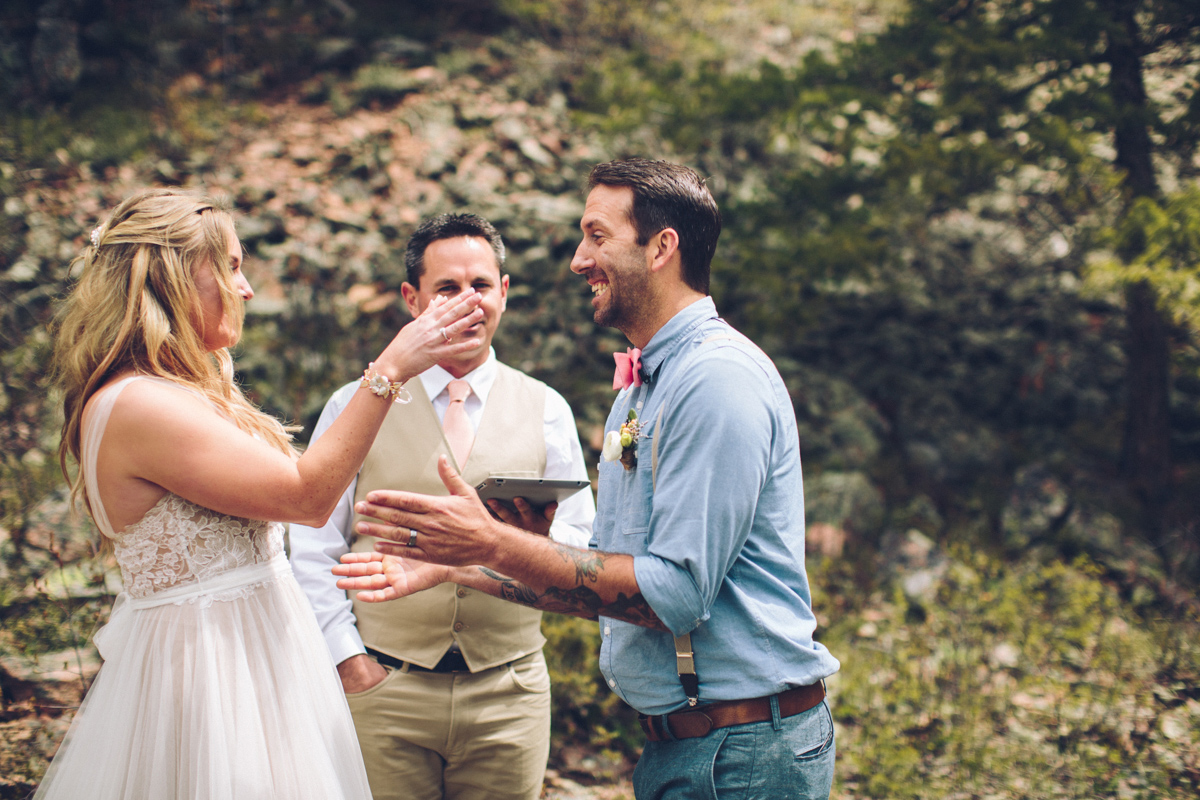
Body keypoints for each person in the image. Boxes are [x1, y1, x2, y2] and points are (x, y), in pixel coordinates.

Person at [334, 159, 842, 800]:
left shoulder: (715, 379)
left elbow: (674, 595)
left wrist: (493, 543)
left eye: (597, 236)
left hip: (743, 755)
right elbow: (607, 579)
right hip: (689, 746)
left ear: (661, 247)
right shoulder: (641, 388)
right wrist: (458, 565)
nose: (578, 259)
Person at [38, 188, 484, 800]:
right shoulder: (138, 403)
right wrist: (392, 368)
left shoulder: (186, 390)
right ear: (170, 279)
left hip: (263, 661)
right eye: (231, 267)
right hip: (209, 678)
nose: (246, 289)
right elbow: (306, 498)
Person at [289, 212, 595, 800]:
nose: (467, 302)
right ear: (413, 299)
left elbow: (578, 550)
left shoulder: (547, 408)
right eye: (447, 289)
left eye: (480, 285)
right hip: (384, 688)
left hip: (510, 693)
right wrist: (349, 663)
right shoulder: (354, 404)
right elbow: (312, 544)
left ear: (504, 292)